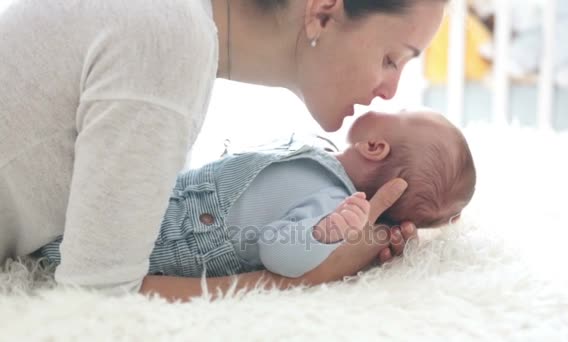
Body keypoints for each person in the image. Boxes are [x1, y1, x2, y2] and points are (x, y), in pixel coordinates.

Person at [0, 0, 447, 299]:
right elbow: (94, 296)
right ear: (324, 11)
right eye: (393, 58)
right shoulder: (168, 39)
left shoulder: (175, 26)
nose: (391, 91)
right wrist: (299, 281)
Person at [36, 110, 475, 300]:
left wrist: (328, 233)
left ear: (376, 146)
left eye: (399, 111)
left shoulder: (333, 203)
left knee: (66, 237)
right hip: (166, 199)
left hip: (167, 237)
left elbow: (279, 254)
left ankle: (44, 247)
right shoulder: (323, 165)